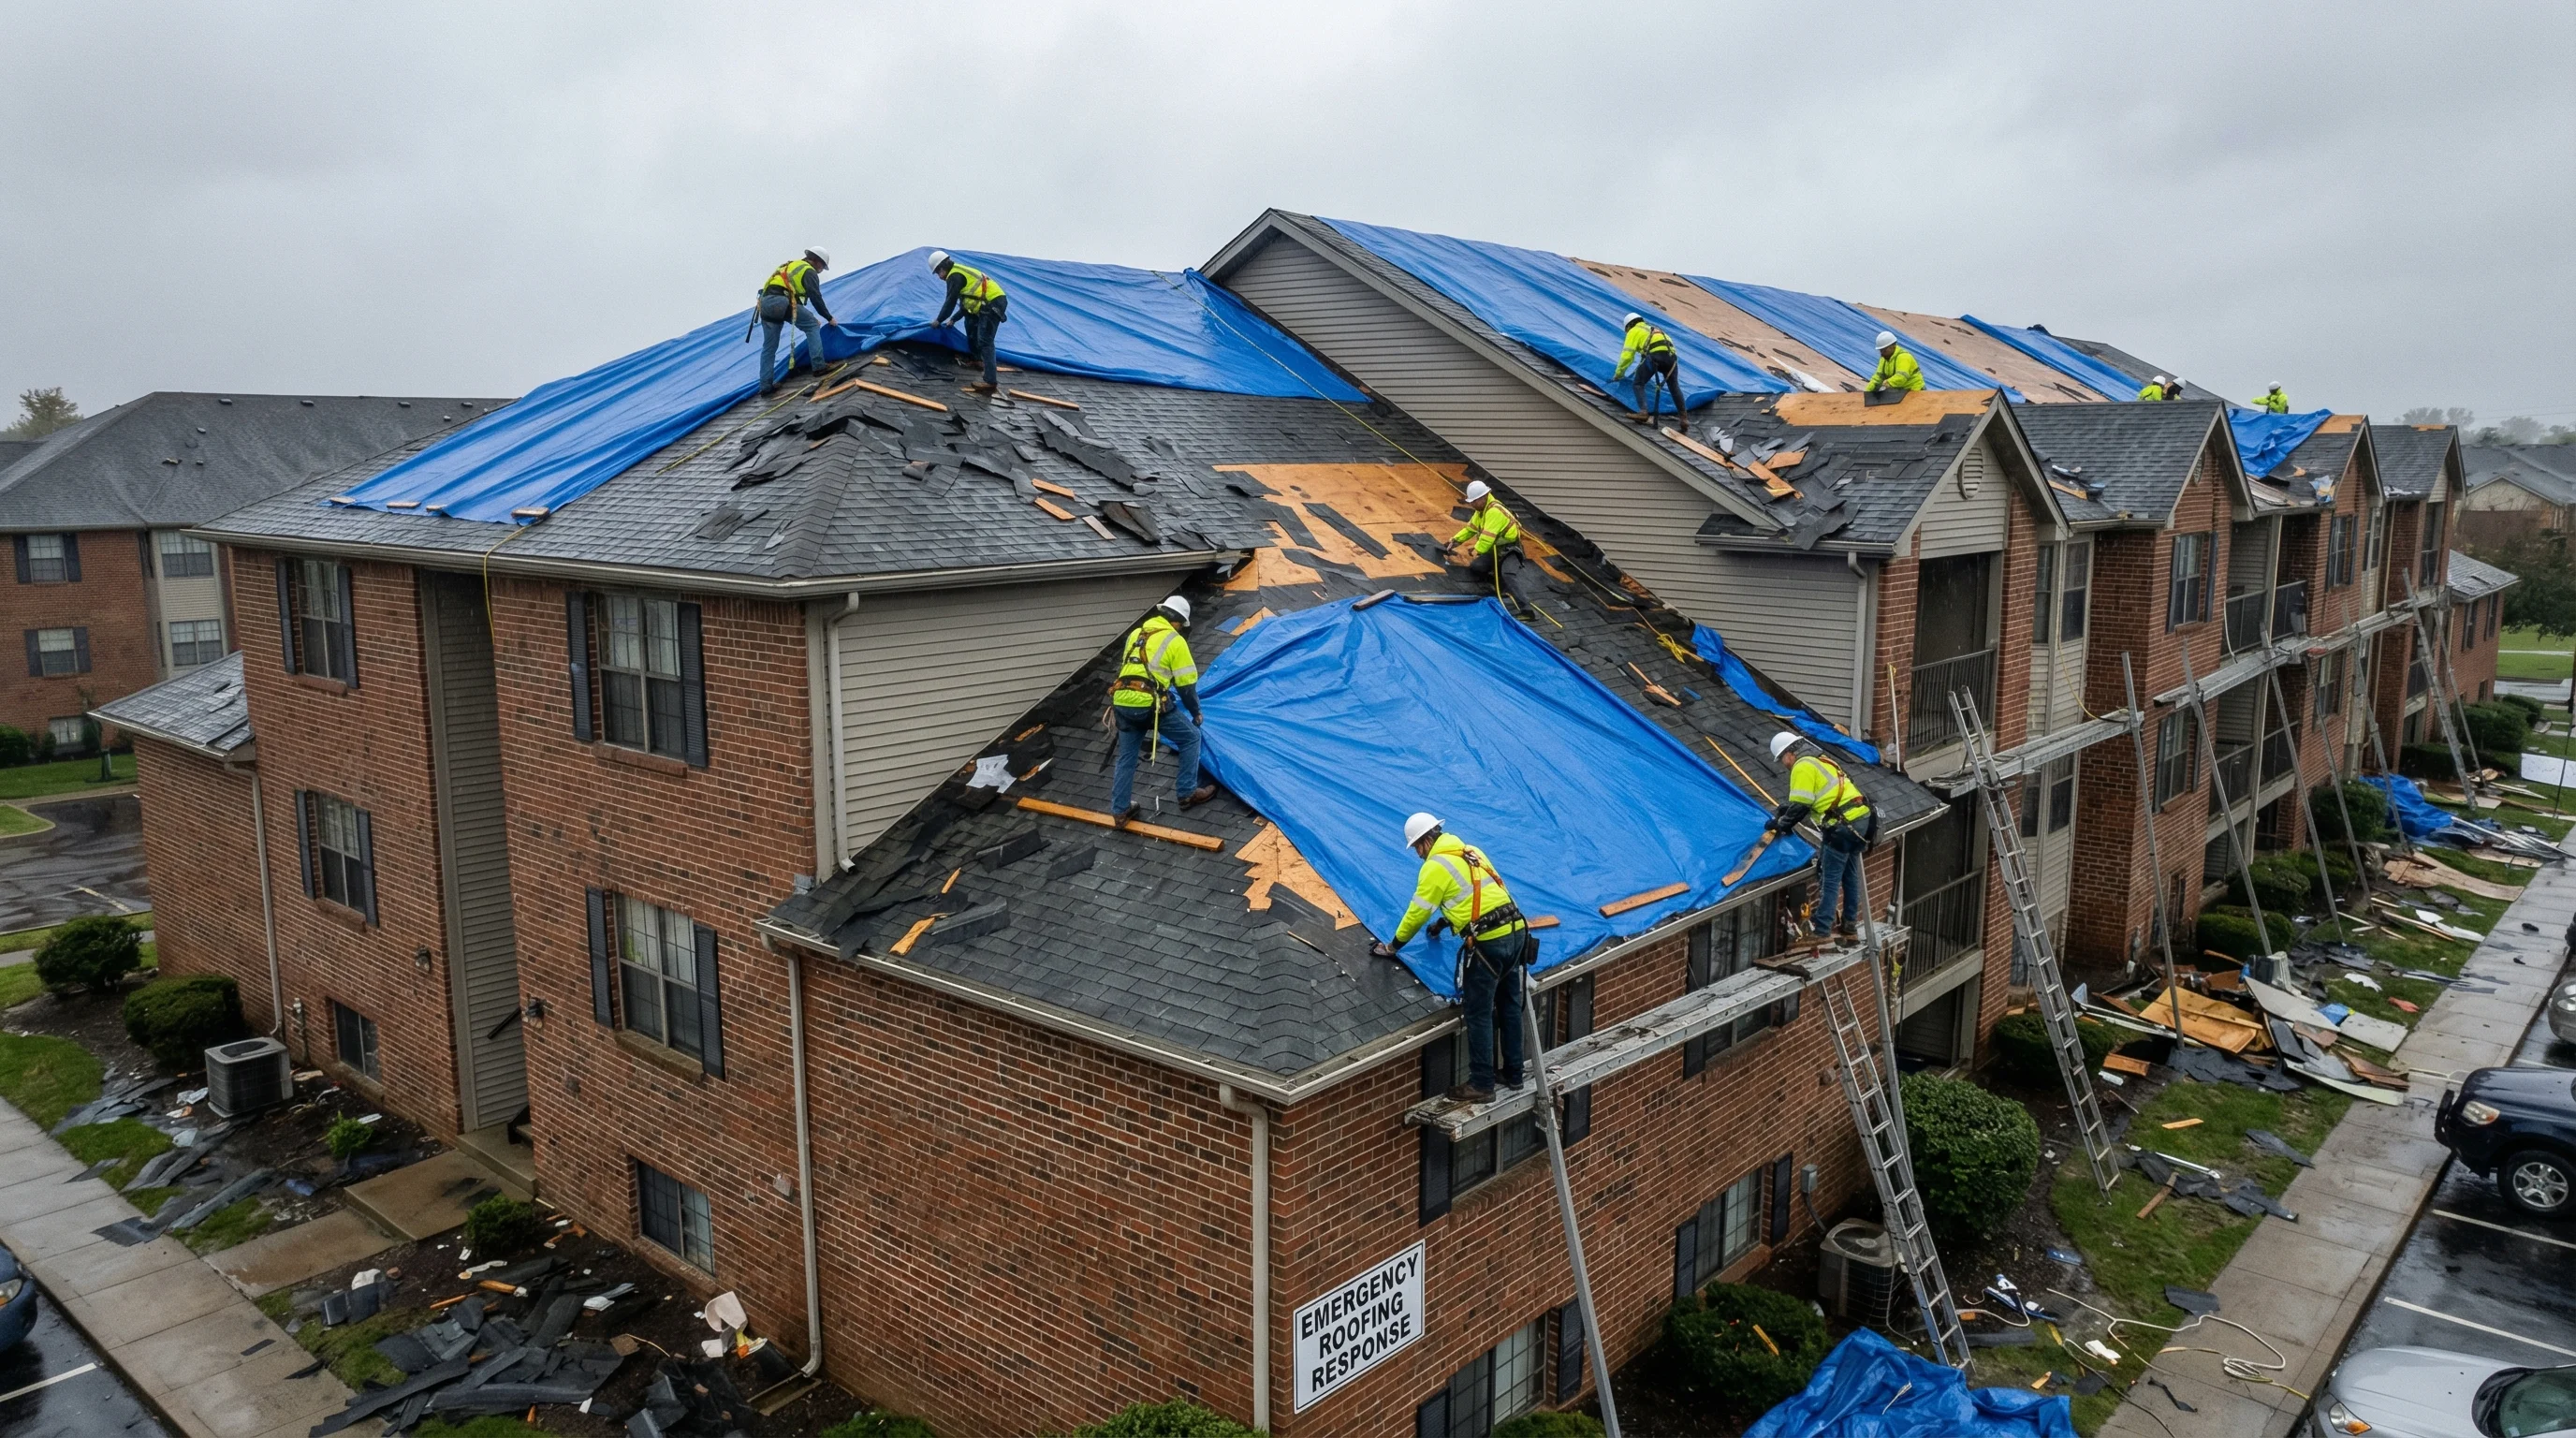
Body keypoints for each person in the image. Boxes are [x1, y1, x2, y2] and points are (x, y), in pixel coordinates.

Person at [1370, 813, 1534, 1102]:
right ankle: (1513, 1074)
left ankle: (1482, 1084)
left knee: (1478, 1011)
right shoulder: (1471, 851)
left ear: (1423, 843)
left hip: (1488, 944)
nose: (1418, 856)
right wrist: (1443, 924)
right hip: (1516, 931)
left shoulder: (1434, 867)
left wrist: (1393, 946)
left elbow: (1417, 912)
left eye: (1417, 849)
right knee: (1509, 1005)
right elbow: (1477, 895)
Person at [1108, 595, 1217, 822]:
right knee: (1190, 737)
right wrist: (1196, 712)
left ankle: (1120, 811)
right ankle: (1187, 794)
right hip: (1149, 704)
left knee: (1126, 757)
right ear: (1177, 622)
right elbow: (1186, 686)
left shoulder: (1135, 634)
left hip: (1122, 702)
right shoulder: (1175, 641)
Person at [1764, 730, 1876, 942]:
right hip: (1861, 821)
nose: (1783, 764)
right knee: (1850, 876)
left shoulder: (1801, 767)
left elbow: (1802, 806)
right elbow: (1814, 798)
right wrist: (1785, 809)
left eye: (1781, 760)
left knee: (1830, 877)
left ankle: (1822, 929)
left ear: (1789, 754)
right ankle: (1850, 924)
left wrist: (1781, 824)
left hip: (1842, 826)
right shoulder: (1821, 761)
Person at [929, 249, 1009, 393]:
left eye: (937, 273)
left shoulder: (954, 276)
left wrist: (939, 320)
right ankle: (977, 359)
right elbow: (966, 307)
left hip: (993, 303)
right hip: (987, 303)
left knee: (985, 340)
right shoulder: (959, 274)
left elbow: (950, 302)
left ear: (942, 268)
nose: (939, 277)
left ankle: (990, 381)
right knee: (970, 322)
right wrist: (953, 319)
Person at [756, 248, 834, 395]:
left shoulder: (790, 266)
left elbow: (793, 297)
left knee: (769, 348)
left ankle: (765, 386)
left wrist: (809, 315)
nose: (821, 270)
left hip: (765, 304)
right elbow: (815, 297)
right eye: (822, 267)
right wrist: (828, 317)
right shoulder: (808, 270)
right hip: (781, 301)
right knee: (812, 326)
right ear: (817, 261)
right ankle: (819, 366)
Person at [1448, 479, 1523, 588]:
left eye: (1475, 501)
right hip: (1494, 549)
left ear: (1485, 497)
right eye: (1471, 502)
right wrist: (1456, 540)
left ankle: (1520, 601)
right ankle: (1492, 578)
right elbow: (1470, 529)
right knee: (1477, 567)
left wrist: (1477, 551)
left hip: (1509, 550)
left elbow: (1487, 538)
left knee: (1507, 575)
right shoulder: (1480, 512)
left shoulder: (1494, 511)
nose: (1472, 504)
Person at [1612, 312, 1684, 421]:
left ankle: (1643, 412)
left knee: (1638, 384)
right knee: (1674, 387)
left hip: (1655, 357)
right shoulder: (1654, 329)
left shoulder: (1634, 331)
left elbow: (1627, 357)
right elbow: (1645, 358)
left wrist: (1618, 374)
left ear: (1629, 325)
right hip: (1671, 360)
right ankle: (1684, 419)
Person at [1866, 331, 1925, 395]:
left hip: (1915, 391)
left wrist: (1888, 383)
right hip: (1900, 392)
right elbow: (1878, 377)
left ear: (1893, 346)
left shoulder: (1904, 357)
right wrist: (1867, 391)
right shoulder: (1884, 358)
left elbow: (1901, 377)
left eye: (1884, 350)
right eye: (1881, 350)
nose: (1882, 353)